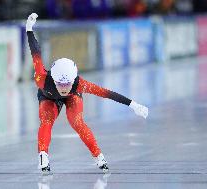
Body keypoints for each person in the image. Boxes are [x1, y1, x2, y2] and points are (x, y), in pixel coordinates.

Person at [26, 13, 148, 174]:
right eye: (60, 84)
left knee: (77, 122)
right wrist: (29, 29)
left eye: (67, 83)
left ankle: (98, 156)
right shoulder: (41, 78)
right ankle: (43, 155)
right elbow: (35, 52)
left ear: (74, 79)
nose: (64, 87)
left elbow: (106, 93)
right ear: (53, 79)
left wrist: (133, 105)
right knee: (46, 121)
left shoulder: (79, 84)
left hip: (72, 98)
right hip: (48, 96)